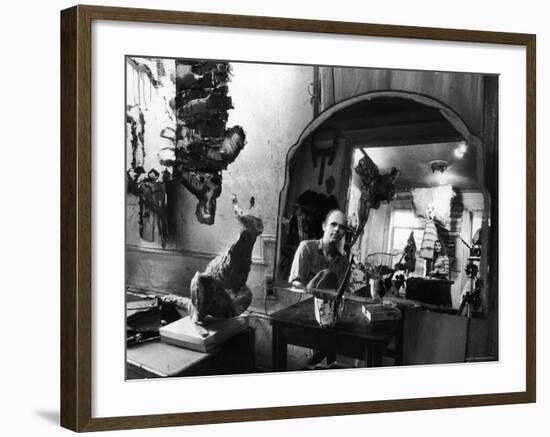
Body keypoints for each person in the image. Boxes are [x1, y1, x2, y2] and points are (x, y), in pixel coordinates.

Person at [288, 209, 348, 288]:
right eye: (333, 224)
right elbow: (296, 283)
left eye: (341, 227)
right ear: (324, 226)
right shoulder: (306, 248)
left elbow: (340, 293)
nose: (337, 229)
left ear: (344, 233)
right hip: (303, 299)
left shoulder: (343, 262)